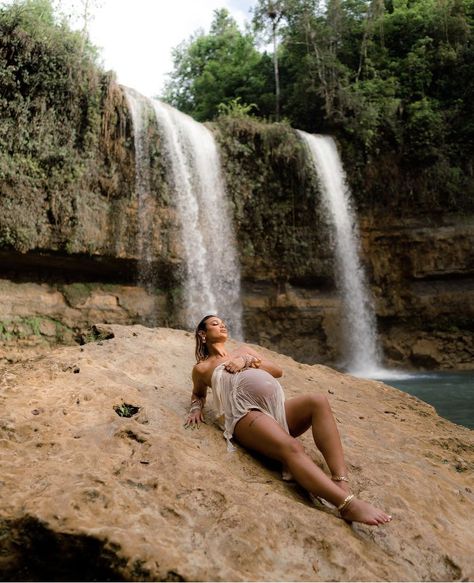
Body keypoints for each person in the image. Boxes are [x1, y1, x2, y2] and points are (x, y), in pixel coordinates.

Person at [185, 314, 392, 526]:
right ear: (203, 334)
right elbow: (198, 394)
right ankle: (347, 505)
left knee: (317, 401)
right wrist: (195, 408)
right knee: (292, 446)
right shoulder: (202, 368)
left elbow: (277, 371)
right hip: (245, 414)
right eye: (215, 324)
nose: (222, 325)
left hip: (275, 411)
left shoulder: (244, 352)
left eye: (223, 322)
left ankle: (340, 482)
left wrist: (245, 361)